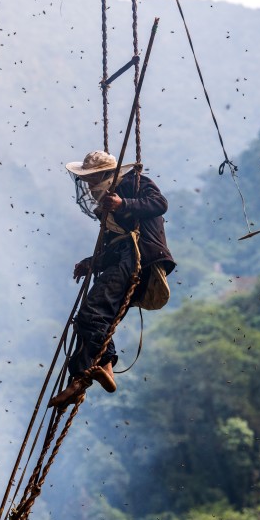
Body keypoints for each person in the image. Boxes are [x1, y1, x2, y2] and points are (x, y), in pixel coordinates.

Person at [48, 150, 176, 408]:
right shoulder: (106, 208)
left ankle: (104, 364)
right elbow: (113, 247)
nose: (87, 185)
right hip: (123, 258)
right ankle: (84, 377)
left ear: (104, 175)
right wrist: (90, 263)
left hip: (140, 256)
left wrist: (124, 204)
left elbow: (160, 203)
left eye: (91, 178)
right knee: (89, 322)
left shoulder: (133, 183)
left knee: (92, 313)